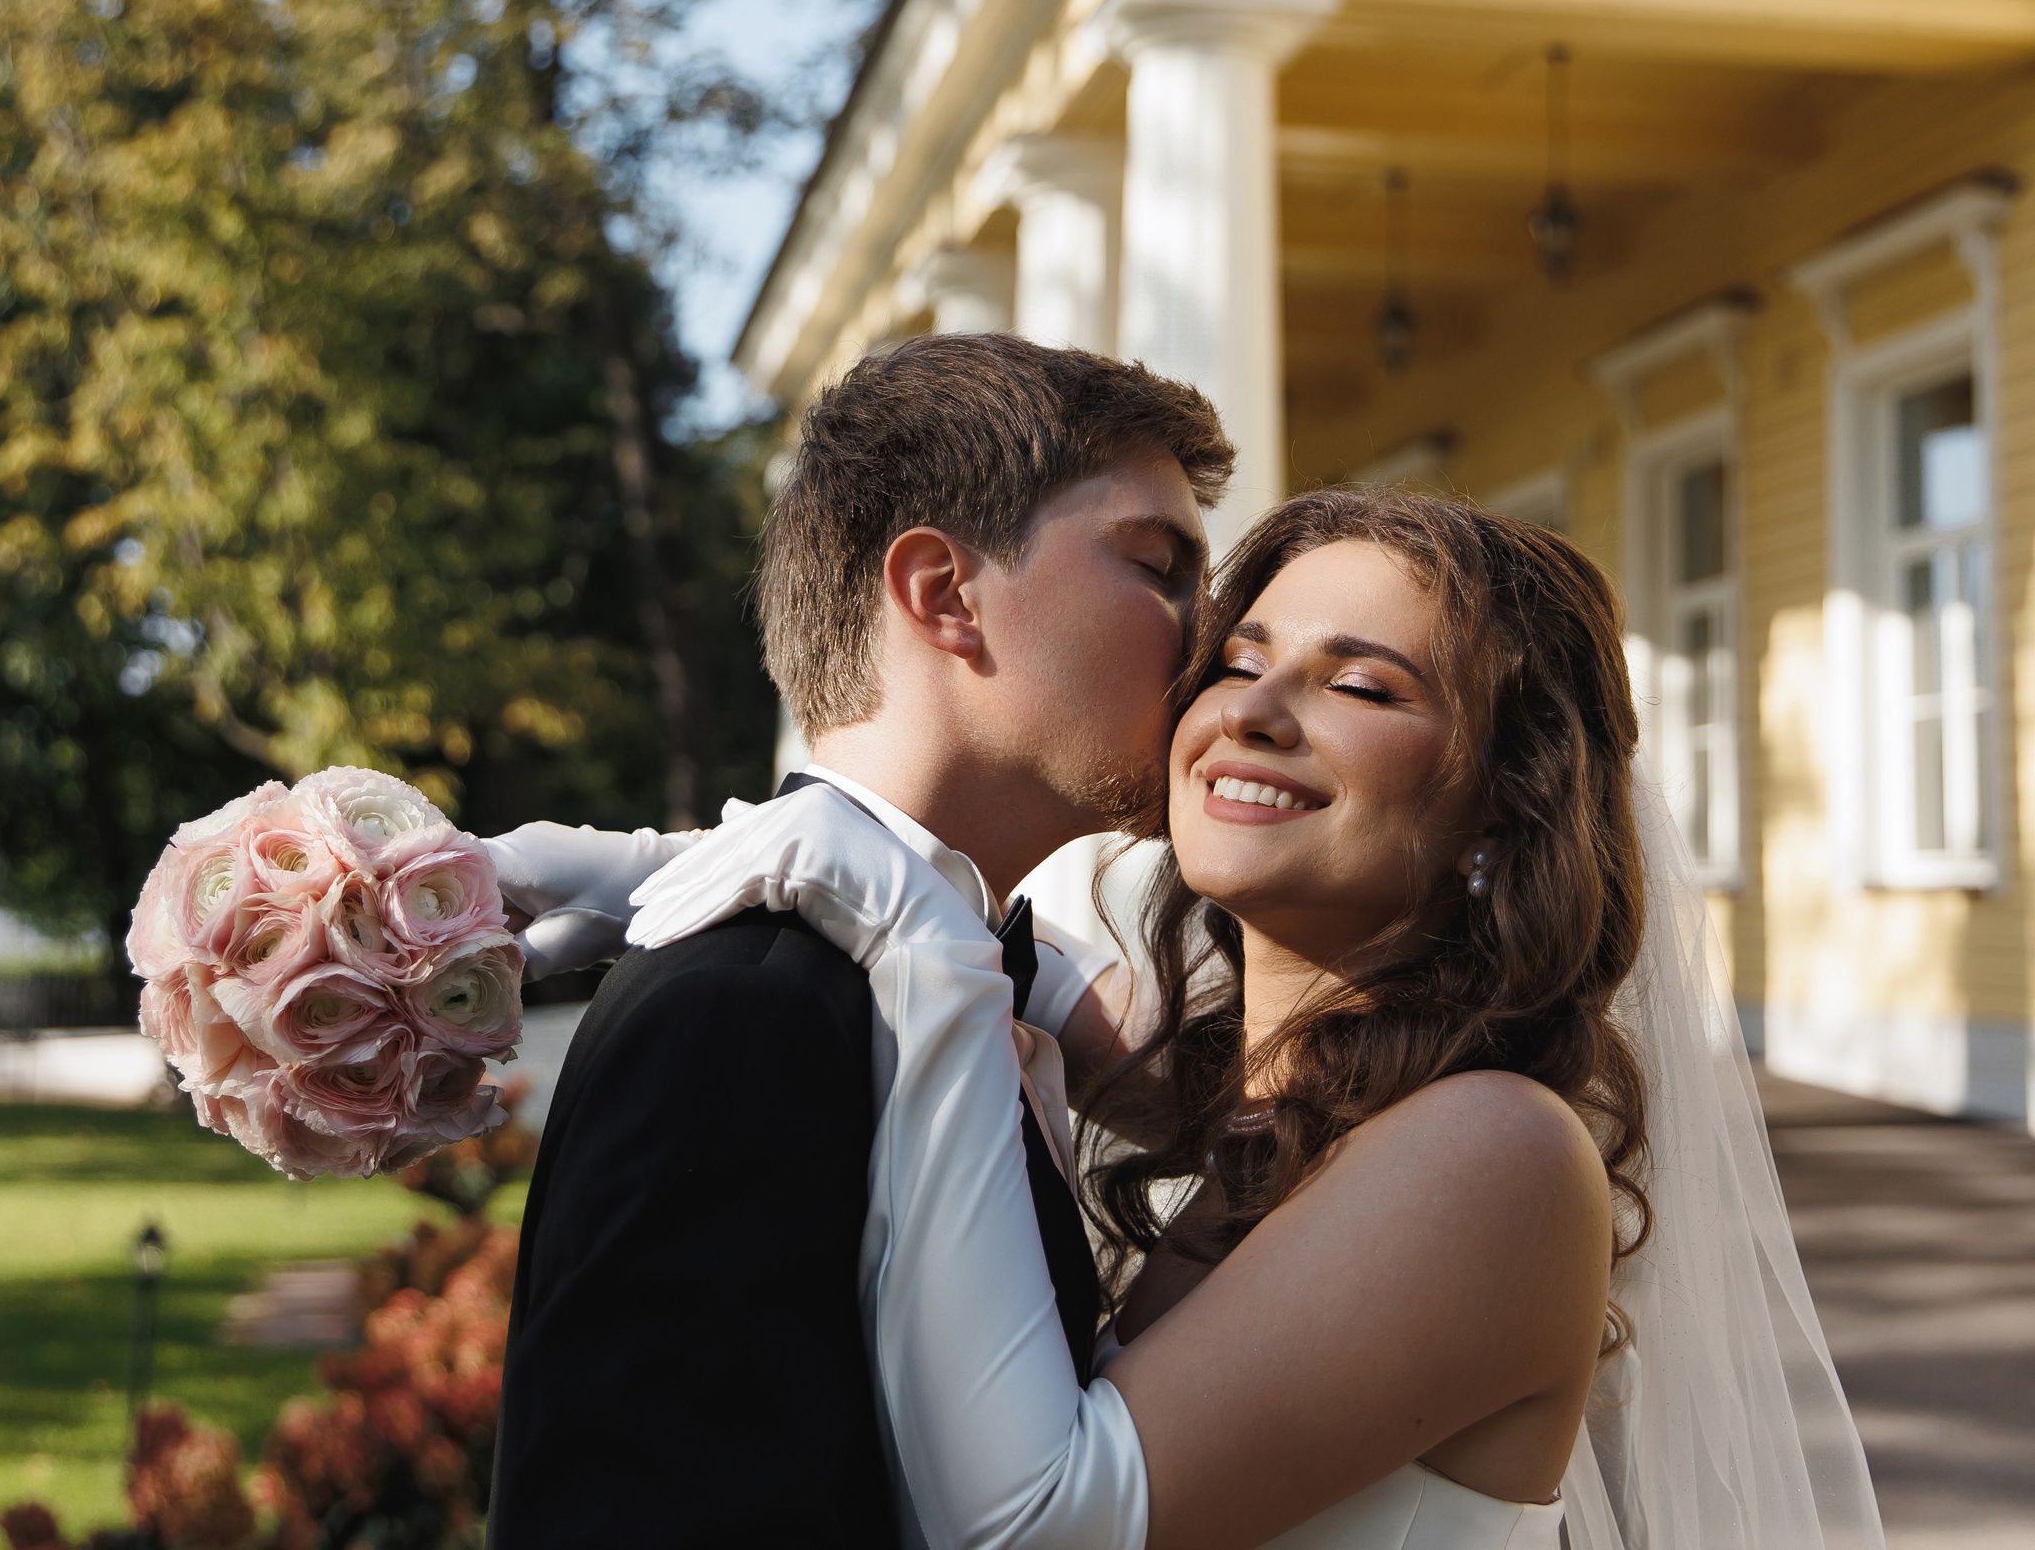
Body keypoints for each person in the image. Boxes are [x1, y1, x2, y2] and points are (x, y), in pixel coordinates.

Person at [631, 487, 1884, 1549]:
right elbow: (1026, 966)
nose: (1253, 709)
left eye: (1360, 684)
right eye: (1236, 661)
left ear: (1503, 807)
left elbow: (1036, 1520)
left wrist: (910, 926)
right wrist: (529, 881)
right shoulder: (1275, 1091)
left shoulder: (1494, 1152)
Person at [484, 333, 1235, 1549]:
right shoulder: (739, 1008)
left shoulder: (952, 970)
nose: (1209, 646)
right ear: (942, 593)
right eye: (1158, 567)